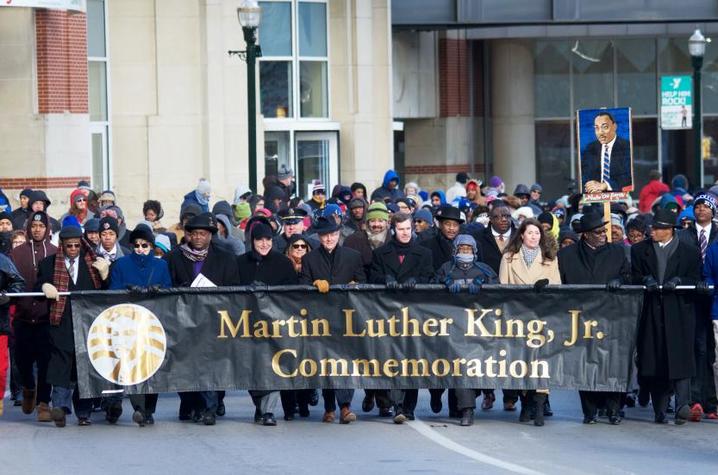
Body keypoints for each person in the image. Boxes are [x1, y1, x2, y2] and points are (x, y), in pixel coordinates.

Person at [165, 212, 240, 425]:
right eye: (194, 233)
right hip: (184, 321)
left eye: (203, 234)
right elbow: (167, 285)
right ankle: (190, 403)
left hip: (215, 321)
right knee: (185, 365)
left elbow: (234, 289)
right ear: (188, 235)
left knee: (212, 365)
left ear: (210, 236)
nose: (198, 238)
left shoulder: (225, 258)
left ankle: (210, 407)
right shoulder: (174, 257)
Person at [631, 208, 704, 424]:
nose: (651, 231)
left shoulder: (689, 251)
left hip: (679, 311)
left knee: (681, 357)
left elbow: (695, 277)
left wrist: (680, 281)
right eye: (652, 227)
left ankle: (682, 404)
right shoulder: (639, 250)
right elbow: (634, 275)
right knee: (655, 358)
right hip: (652, 310)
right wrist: (646, 280)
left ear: (670, 230)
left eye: (657, 228)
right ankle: (660, 408)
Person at [558, 213, 631, 425]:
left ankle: (613, 409)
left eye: (604, 231)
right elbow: (560, 283)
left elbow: (628, 275)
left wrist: (620, 280)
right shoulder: (568, 255)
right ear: (586, 235)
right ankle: (589, 410)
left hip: (611, 316)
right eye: (598, 232)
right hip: (580, 316)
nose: (603, 235)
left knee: (612, 363)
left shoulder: (617, 252)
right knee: (584, 362)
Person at [37, 224, 108, 427]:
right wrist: (44, 286)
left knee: (83, 366)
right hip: (61, 321)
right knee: (61, 363)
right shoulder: (49, 264)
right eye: (69, 246)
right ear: (62, 246)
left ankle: (84, 413)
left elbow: (106, 290)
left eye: (77, 245)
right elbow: (37, 286)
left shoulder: (92, 263)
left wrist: (105, 275)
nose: (74, 249)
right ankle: (59, 407)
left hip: (87, 321)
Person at [299, 216, 366, 424]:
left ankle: (345, 407)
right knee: (326, 364)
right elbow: (301, 284)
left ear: (339, 235)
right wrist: (314, 284)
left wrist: (355, 286)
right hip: (321, 320)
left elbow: (364, 282)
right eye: (326, 235)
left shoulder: (353, 256)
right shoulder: (310, 259)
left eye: (333, 234)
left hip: (347, 317)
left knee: (345, 363)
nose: (329, 239)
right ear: (319, 236)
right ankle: (329, 407)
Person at [368, 212, 433, 423]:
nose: (405, 233)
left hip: (415, 313)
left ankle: (409, 407)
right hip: (389, 312)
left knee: (412, 359)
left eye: (408, 229)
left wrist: (418, 280)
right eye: (401, 229)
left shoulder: (423, 252)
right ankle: (397, 405)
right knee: (393, 359)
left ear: (412, 228)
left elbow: (429, 276)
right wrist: (384, 279)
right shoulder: (381, 253)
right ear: (393, 229)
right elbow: (373, 277)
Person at [107, 224, 172, 426]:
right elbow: (112, 291)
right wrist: (127, 290)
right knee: (125, 366)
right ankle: (127, 406)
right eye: (137, 245)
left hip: (153, 322)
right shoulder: (121, 265)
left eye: (145, 245)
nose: (141, 249)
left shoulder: (161, 266)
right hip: (126, 322)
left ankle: (147, 409)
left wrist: (159, 290)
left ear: (152, 246)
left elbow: (169, 289)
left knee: (152, 367)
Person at [499, 218, 561, 427]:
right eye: (530, 232)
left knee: (541, 362)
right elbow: (503, 288)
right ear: (522, 235)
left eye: (537, 233)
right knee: (522, 362)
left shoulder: (550, 259)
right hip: (518, 318)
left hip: (542, 318)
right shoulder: (508, 258)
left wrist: (545, 292)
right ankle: (526, 403)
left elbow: (557, 287)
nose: (534, 236)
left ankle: (540, 404)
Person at [237, 221, 298, 425]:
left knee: (273, 365)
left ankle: (268, 411)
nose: (264, 244)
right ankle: (260, 405)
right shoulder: (240, 263)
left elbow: (293, 293)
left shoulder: (283, 263)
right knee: (251, 368)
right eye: (259, 239)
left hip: (275, 325)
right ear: (252, 241)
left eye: (268, 239)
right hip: (247, 325)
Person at [435, 234, 498, 426]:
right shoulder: (446, 268)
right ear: (455, 251)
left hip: (480, 328)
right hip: (453, 328)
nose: (465, 252)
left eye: (468, 249)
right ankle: (466, 410)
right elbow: (428, 289)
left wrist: (485, 285)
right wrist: (442, 285)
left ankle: (471, 401)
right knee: (460, 370)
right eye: (461, 249)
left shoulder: (485, 269)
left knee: (475, 371)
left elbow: (501, 291)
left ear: (474, 251)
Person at [9, 211, 57, 422]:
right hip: (22, 317)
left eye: (41, 226)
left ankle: (44, 403)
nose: (38, 230)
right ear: (29, 228)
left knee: (46, 362)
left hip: (46, 317)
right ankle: (29, 387)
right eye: (34, 226)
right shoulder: (17, 253)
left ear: (47, 229)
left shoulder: (55, 252)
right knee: (22, 361)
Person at [420, 204, 464, 417]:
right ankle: (436, 392)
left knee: (457, 358)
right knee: (437, 356)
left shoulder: (466, 246)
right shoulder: (427, 245)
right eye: (448, 224)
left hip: (460, 308)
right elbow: (426, 274)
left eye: (455, 224)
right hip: (436, 307)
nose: (451, 228)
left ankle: (456, 405)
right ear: (440, 225)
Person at [474, 202, 517, 411]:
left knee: (510, 349)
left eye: (507, 216)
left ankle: (510, 396)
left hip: (513, 301)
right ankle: (488, 392)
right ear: (490, 219)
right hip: (487, 300)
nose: (504, 220)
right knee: (488, 349)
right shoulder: (479, 238)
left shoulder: (519, 236)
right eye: (499, 216)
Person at [679, 192, 718, 419]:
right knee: (697, 348)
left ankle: (712, 402)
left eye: (706, 206)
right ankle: (696, 400)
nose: (701, 210)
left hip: (713, 300)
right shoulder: (684, 235)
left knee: (713, 352)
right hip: (692, 298)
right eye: (698, 206)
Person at [581, 112, 632, 193]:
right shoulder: (590, 148)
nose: (600, 132)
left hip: (618, 197)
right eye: (597, 128)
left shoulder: (626, 147)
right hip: (595, 198)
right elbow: (585, 174)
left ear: (614, 126)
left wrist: (605, 185)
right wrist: (590, 185)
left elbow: (629, 177)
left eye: (605, 127)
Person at [0, 251, 25, 417]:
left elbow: (18, 283)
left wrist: (6, 297)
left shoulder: (2, 260)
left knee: (0, 367)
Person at [344, 202, 391, 277]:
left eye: (380, 221)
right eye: (372, 221)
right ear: (367, 222)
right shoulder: (353, 240)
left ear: (387, 222)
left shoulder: (393, 240)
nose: (376, 224)